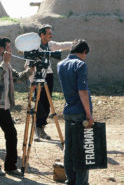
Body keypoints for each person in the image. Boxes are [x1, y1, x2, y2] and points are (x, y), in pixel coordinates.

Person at [0, 36, 34, 175]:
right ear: (1, 49)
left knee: (11, 133)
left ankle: (10, 166)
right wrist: (4, 63)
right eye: (9, 47)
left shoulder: (7, 64)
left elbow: (18, 78)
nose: (11, 50)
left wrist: (30, 70)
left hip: (2, 104)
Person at [57, 39, 93, 185]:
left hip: (68, 111)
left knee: (69, 148)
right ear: (84, 52)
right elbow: (83, 91)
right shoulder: (81, 64)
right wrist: (89, 114)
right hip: (80, 112)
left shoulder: (60, 65)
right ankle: (81, 183)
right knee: (84, 150)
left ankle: (70, 180)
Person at [32, 24, 73, 141]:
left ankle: (41, 128)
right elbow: (28, 63)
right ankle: (36, 129)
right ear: (42, 35)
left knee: (47, 102)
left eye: (51, 33)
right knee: (38, 102)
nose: (51, 35)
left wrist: (75, 43)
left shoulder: (50, 45)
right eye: (49, 33)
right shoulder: (33, 46)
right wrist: (32, 81)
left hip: (48, 75)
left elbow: (62, 45)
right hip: (36, 75)